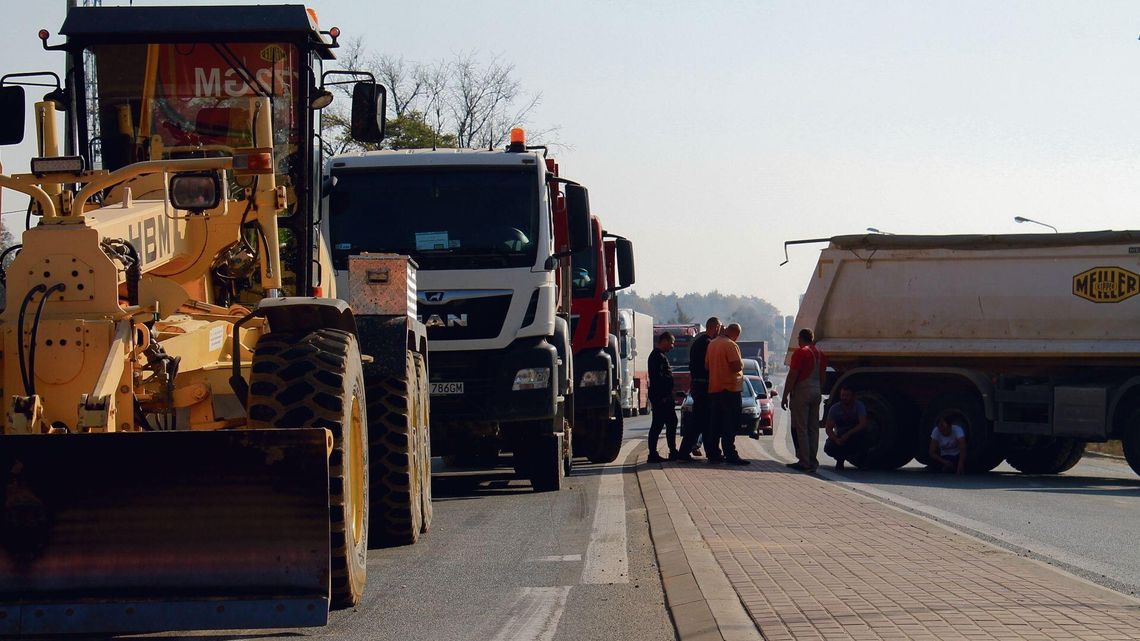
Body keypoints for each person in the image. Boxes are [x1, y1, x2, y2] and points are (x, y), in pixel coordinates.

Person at [705, 323, 750, 465]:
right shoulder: (730, 345)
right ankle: (730, 454)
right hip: (730, 389)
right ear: (735, 333)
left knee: (715, 424)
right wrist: (742, 364)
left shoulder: (712, 344)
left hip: (714, 388)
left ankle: (713, 454)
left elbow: (707, 366)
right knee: (730, 424)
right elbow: (736, 365)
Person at [782, 328, 826, 472]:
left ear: (801, 338)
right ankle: (813, 461)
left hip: (802, 391)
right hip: (816, 390)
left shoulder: (801, 353)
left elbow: (793, 375)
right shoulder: (820, 354)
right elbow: (823, 376)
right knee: (813, 428)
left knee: (801, 427)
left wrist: (785, 395)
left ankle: (804, 461)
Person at [677, 318, 721, 461]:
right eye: (719, 328)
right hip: (704, 386)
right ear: (715, 327)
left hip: (697, 385)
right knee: (702, 422)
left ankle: (709, 452)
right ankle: (688, 452)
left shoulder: (698, 342)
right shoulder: (709, 344)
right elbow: (710, 366)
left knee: (702, 421)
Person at [647, 332, 678, 462]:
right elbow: (658, 378)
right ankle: (654, 454)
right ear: (664, 341)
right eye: (671, 343)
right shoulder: (657, 357)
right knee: (659, 425)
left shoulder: (659, 356)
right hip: (662, 397)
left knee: (670, 422)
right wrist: (664, 395)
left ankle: (671, 451)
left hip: (663, 396)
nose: (672, 347)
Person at [822, 385, 868, 471]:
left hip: (855, 434)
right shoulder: (835, 408)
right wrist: (836, 439)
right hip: (840, 435)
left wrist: (848, 434)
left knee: (864, 437)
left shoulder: (859, 406)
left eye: (847, 395)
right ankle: (840, 460)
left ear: (853, 396)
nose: (844, 398)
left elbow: (863, 424)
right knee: (829, 447)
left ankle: (862, 460)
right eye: (843, 395)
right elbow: (828, 428)